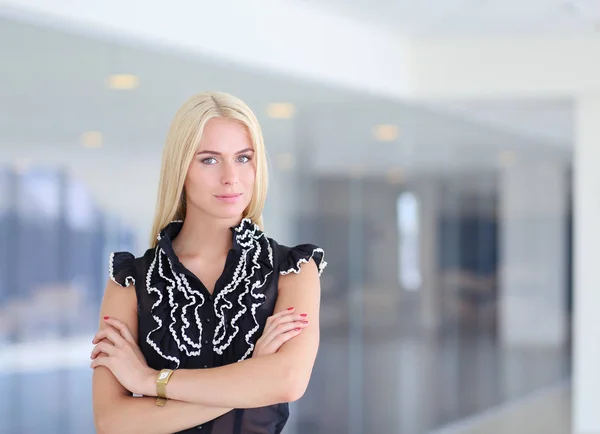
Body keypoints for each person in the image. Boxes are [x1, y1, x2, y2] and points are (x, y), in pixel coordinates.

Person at [90, 91, 327, 434]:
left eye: (243, 158)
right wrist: (252, 377)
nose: (231, 177)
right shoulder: (129, 282)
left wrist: (149, 379)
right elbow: (112, 422)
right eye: (210, 160)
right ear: (181, 168)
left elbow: (288, 380)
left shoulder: (293, 271)